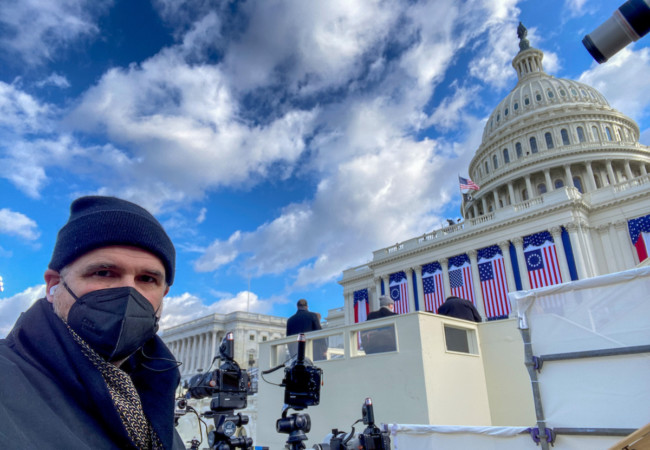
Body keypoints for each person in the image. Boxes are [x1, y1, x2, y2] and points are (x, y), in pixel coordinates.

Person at [0, 196, 185, 449]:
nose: (128, 292)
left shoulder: (155, 399)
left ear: (163, 295)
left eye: (147, 278)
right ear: (54, 285)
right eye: (104, 273)